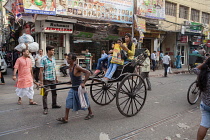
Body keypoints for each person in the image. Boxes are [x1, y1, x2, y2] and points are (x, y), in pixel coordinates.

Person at [56, 53, 94, 123]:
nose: (67, 60)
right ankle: (66, 118)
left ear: (73, 60)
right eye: (67, 58)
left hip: (79, 88)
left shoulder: (77, 67)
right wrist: (70, 81)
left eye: (69, 59)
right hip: (73, 88)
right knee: (68, 101)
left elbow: (88, 72)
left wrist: (83, 83)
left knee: (85, 101)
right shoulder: (69, 67)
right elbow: (74, 76)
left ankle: (90, 113)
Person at [39, 46, 61, 115]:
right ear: (48, 51)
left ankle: (54, 104)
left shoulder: (54, 58)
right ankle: (45, 108)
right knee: (45, 94)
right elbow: (41, 71)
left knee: (54, 92)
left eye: (53, 50)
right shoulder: (43, 59)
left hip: (53, 78)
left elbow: (54, 69)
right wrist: (41, 81)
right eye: (51, 50)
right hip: (46, 79)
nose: (53, 52)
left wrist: (56, 78)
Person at [196, 57, 210, 140]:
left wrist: (205, 63)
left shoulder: (203, 74)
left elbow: (194, 69)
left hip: (205, 104)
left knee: (204, 124)